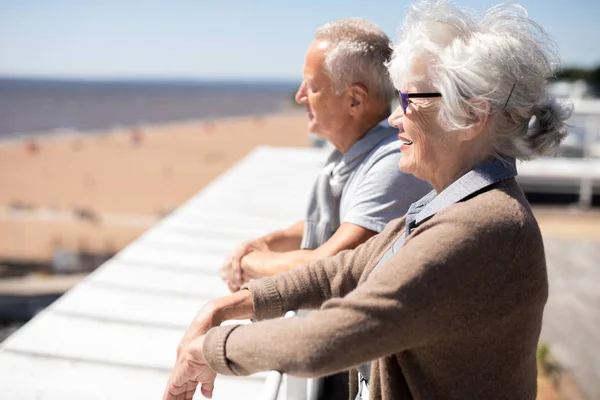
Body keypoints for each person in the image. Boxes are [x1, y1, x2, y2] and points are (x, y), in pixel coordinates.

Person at [163, 1, 572, 399]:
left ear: (471, 116)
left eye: (410, 101)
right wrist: (224, 308)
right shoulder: (452, 205)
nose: (395, 118)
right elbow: (338, 272)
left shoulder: (484, 228)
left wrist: (211, 348)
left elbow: (327, 339)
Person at [220, 19, 430, 293]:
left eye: (312, 87)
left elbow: (331, 266)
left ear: (355, 99)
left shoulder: (394, 162)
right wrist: (262, 244)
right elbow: (338, 223)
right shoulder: (353, 155)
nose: (299, 96)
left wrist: (249, 262)